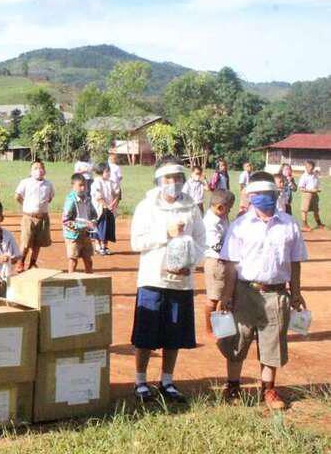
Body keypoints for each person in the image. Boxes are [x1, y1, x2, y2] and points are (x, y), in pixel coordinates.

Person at [217, 172, 307, 409]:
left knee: (272, 342)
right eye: (258, 194)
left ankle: (268, 390)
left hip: (276, 293)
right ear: (250, 196)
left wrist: (296, 292)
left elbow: (295, 261)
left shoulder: (289, 224)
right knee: (237, 340)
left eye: (268, 193)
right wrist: (226, 295)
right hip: (245, 291)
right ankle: (233, 386)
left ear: (276, 194)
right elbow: (230, 263)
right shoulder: (240, 225)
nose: (264, 197)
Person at [129, 159, 206, 403]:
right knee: (146, 333)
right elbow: (136, 242)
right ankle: (140, 381)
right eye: (168, 178)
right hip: (153, 278)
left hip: (181, 281)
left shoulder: (191, 207)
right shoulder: (147, 206)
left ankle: (167, 381)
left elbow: (201, 241)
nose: (174, 183)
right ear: (159, 181)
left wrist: (189, 265)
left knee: (174, 334)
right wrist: (165, 233)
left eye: (178, 178)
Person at [202, 189, 235, 336]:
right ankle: (209, 329)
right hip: (216, 262)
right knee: (214, 298)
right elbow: (217, 246)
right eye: (229, 208)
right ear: (220, 207)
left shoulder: (222, 218)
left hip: (224, 262)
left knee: (224, 296)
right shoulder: (211, 223)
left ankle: (221, 328)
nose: (230, 211)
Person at [15, 160, 55, 270]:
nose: (39, 170)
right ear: (31, 171)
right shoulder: (25, 182)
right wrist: (26, 205)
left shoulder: (48, 184)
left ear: (45, 171)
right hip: (29, 217)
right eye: (35, 168)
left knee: (38, 243)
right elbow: (17, 196)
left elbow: (50, 198)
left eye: (41, 168)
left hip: (42, 218)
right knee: (26, 242)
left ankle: (33, 263)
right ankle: (21, 262)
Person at [61, 173, 97, 274]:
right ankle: (70, 280)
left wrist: (93, 221)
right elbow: (66, 221)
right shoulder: (70, 201)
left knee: (88, 260)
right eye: (80, 185)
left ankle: (89, 280)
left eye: (84, 185)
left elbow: (94, 214)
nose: (83, 188)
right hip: (73, 235)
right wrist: (84, 225)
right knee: (73, 260)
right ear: (73, 186)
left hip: (85, 234)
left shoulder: (88, 199)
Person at [91, 163, 118, 256]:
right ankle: (98, 246)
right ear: (101, 172)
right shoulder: (96, 183)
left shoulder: (111, 182)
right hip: (99, 210)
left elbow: (117, 193)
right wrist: (106, 205)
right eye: (107, 171)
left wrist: (113, 204)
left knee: (108, 228)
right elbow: (98, 197)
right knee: (99, 228)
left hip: (109, 209)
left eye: (109, 171)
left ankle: (105, 246)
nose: (109, 173)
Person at [298, 160, 323, 231]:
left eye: (311, 166)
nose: (310, 168)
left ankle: (319, 224)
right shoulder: (304, 176)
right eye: (308, 166)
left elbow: (317, 184)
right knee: (304, 210)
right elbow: (301, 188)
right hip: (307, 195)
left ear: (313, 167)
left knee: (316, 210)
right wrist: (310, 190)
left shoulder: (315, 175)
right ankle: (304, 225)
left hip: (315, 195)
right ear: (306, 167)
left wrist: (318, 189)